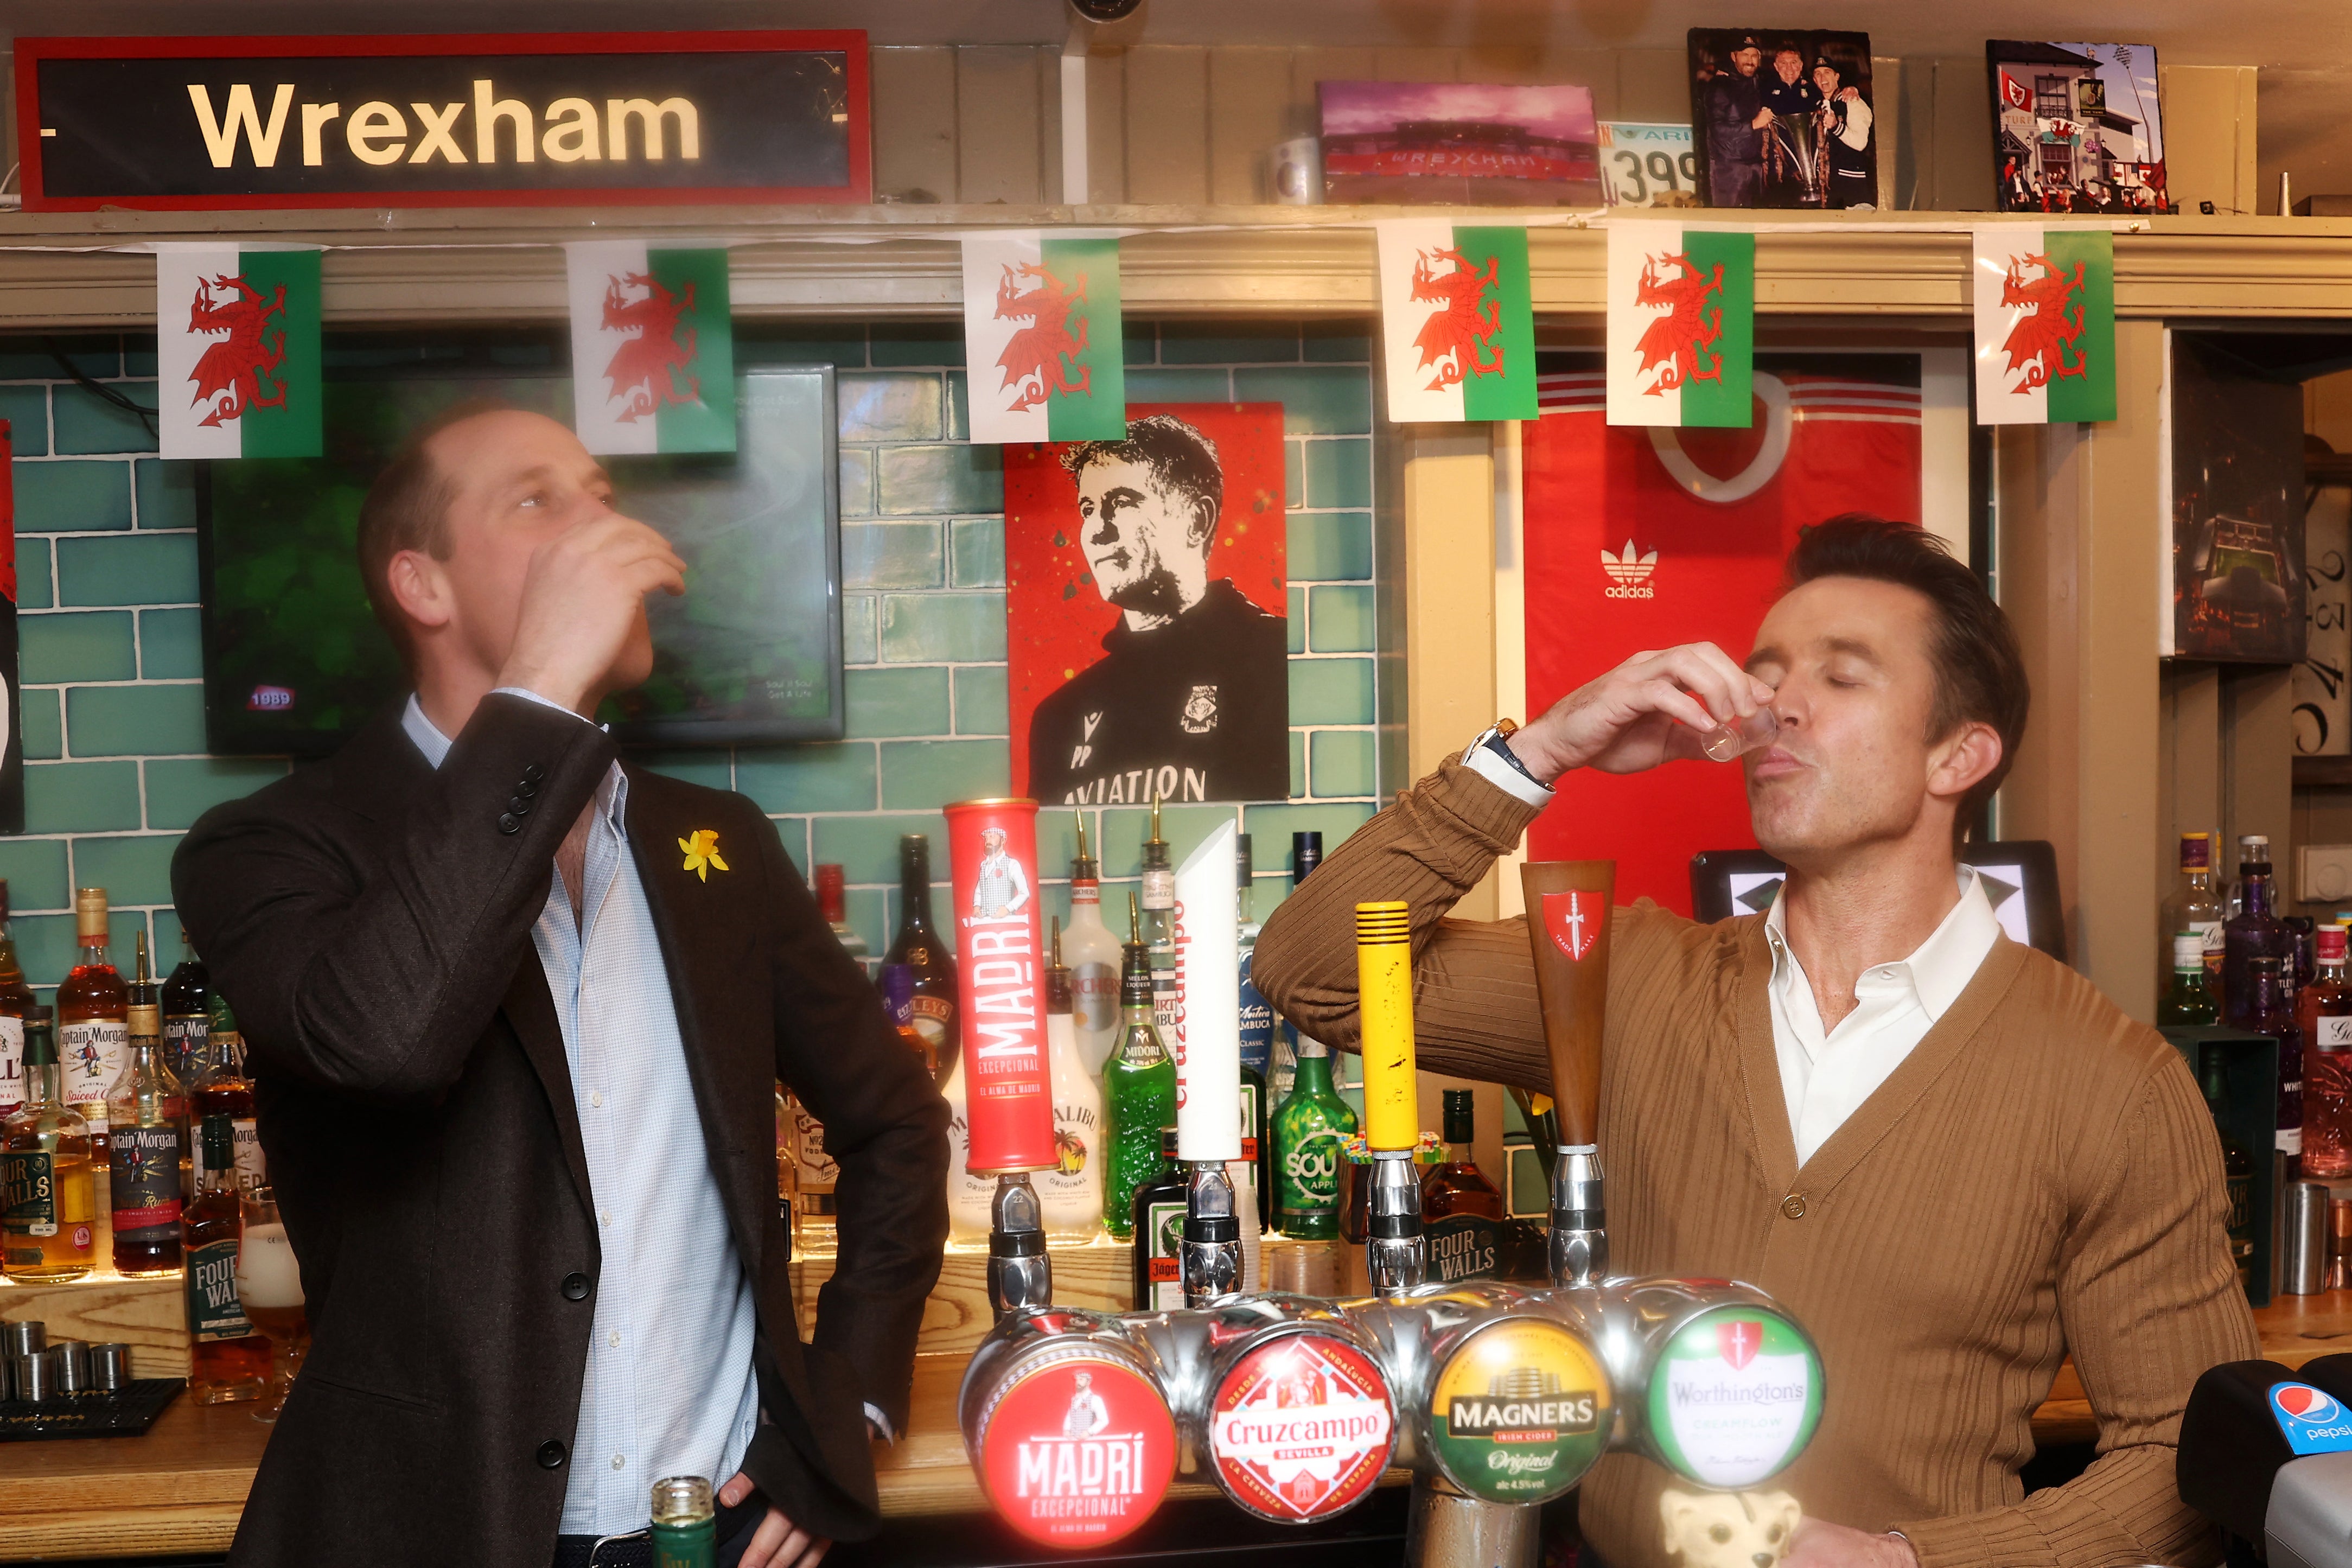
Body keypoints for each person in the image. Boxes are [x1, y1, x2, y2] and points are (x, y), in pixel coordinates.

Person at [1253, 517, 2259, 1568]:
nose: (1777, 702)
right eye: (1767, 670)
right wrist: (1544, 747)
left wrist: (1905, 1560)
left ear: (1958, 754)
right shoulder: (1624, 975)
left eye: (1842, 676)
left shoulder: (2109, 1081)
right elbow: (1312, 966)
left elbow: (2186, 1457)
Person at [173, 404, 949, 1568]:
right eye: (538, 500)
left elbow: (896, 1123)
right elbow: (384, 1037)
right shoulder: (273, 845)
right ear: (422, 587)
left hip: (718, 1535)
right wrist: (536, 686)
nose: (602, 523)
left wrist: (843, 1405)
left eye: (599, 491)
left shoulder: (718, 841)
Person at [1024, 413, 1289, 807]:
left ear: (1197, 521)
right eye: (1087, 508)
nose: (1097, 530)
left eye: (1122, 503)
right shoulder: (1059, 716)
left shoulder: (1275, 657)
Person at [1701, 36, 1769, 207]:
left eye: (1754, 56)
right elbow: (1717, 130)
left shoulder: (1757, 81)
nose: (1750, 61)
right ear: (1734, 57)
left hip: (1755, 167)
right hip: (1728, 169)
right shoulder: (1719, 86)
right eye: (1745, 55)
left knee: (1754, 228)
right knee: (1727, 226)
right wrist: (1753, 125)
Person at [1811, 59, 1874, 209]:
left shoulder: (1852, 101)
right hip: (1828, 193)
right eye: (1818, 74)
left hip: (1853, 191)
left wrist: (1836, 126)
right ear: (1814, 80)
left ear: (1837, 77)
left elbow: (1860, 143)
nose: (1823, 78)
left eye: (1827, 73)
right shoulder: (1816, 107)